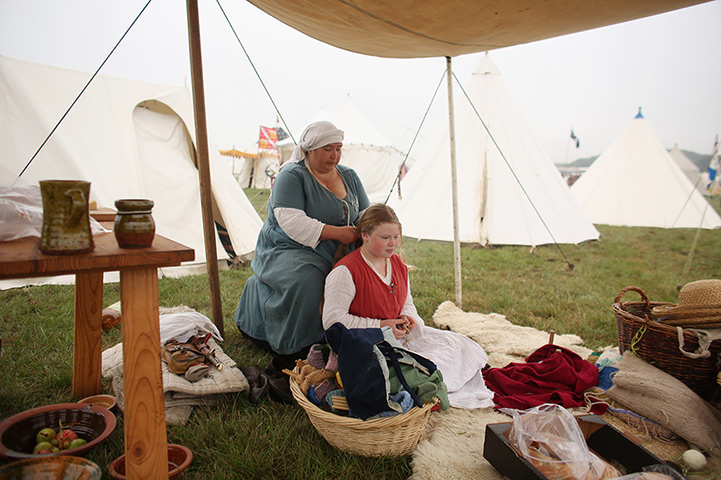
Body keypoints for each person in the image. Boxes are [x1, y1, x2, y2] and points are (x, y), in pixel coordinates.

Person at [322, 204, 495, 409]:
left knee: (462, 345)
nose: (392, 243)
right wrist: (381, 325)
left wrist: (410, 318)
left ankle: (438, 383)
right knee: (429, 369)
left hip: (400, 338)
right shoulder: (346, 271)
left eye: (396, 237)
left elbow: (406, 302)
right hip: (369, 346)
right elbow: (332, 321)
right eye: (385, 238)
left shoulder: (397, 263)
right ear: (365, 236)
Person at [235, 120, 370, 372]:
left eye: (338, 148)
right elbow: (292, 222)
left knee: (362, 277)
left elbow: (364, 212)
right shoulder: (292, 175)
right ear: (310, 149)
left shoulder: (349, 176)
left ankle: (352, 340)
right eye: (328, 149)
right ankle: (300, 349)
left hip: (341, 247)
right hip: (288, 248)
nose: (334, 155)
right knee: (308, 281)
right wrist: (337, 233)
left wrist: (377, 229)